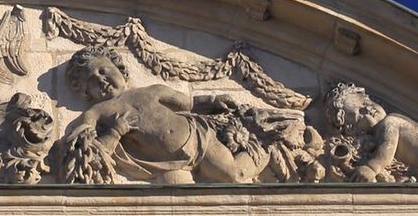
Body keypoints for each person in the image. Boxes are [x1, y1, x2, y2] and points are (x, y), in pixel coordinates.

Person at [59, 46, 297, 184]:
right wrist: (114, 132)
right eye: (92, 80)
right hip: (167, 164)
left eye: (104, 70)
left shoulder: (151, 91)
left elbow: (188, 103)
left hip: (198, 137)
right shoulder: (96, 113)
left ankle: (264, 148)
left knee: (233, 175)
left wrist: (214, 101)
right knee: (179, 196)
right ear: (86, 92)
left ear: (119, 68)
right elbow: (91, 152)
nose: (101, 79)